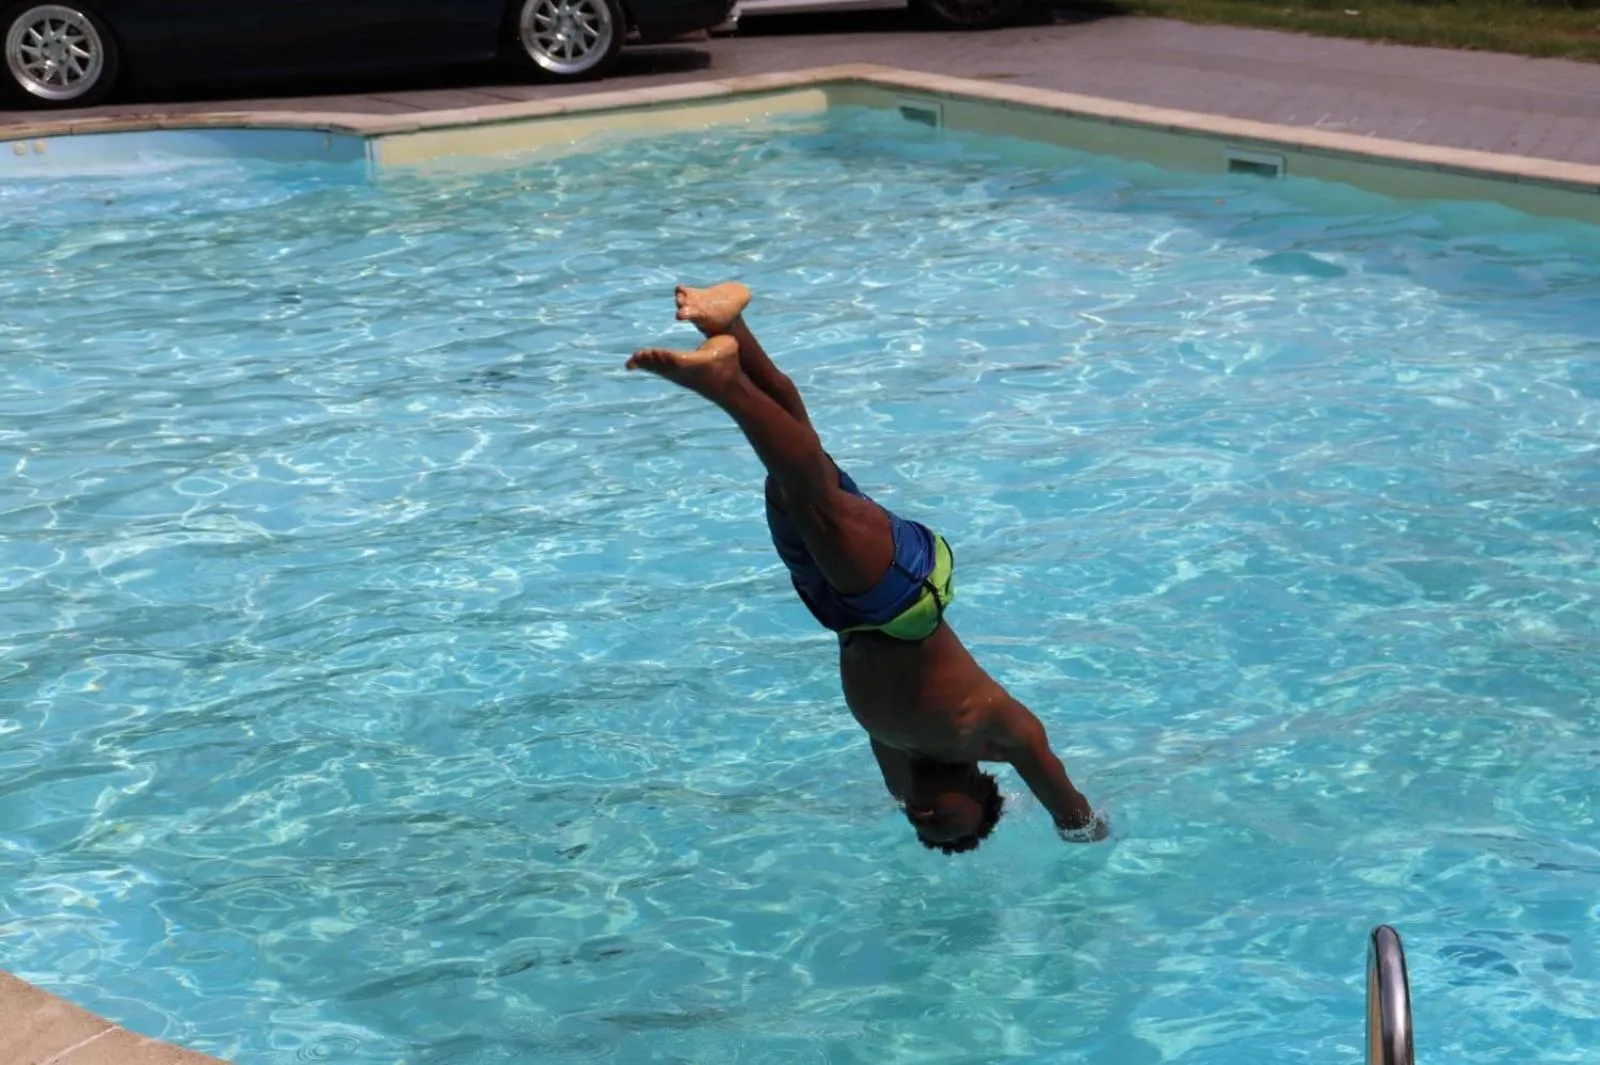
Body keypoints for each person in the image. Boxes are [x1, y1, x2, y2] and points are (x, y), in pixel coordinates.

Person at [627, 282, 1108, 855]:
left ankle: (728, 324)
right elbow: (1074, 815)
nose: (925, 819)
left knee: (798, 467)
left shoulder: (899, 764)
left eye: (920, 828)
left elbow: (904, 806)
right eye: (949, 825)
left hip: (838, 608)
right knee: (809, 494)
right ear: (985, 795)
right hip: (905, 598)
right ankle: (726, 385)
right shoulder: (1001, 736)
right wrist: (1091, 841)